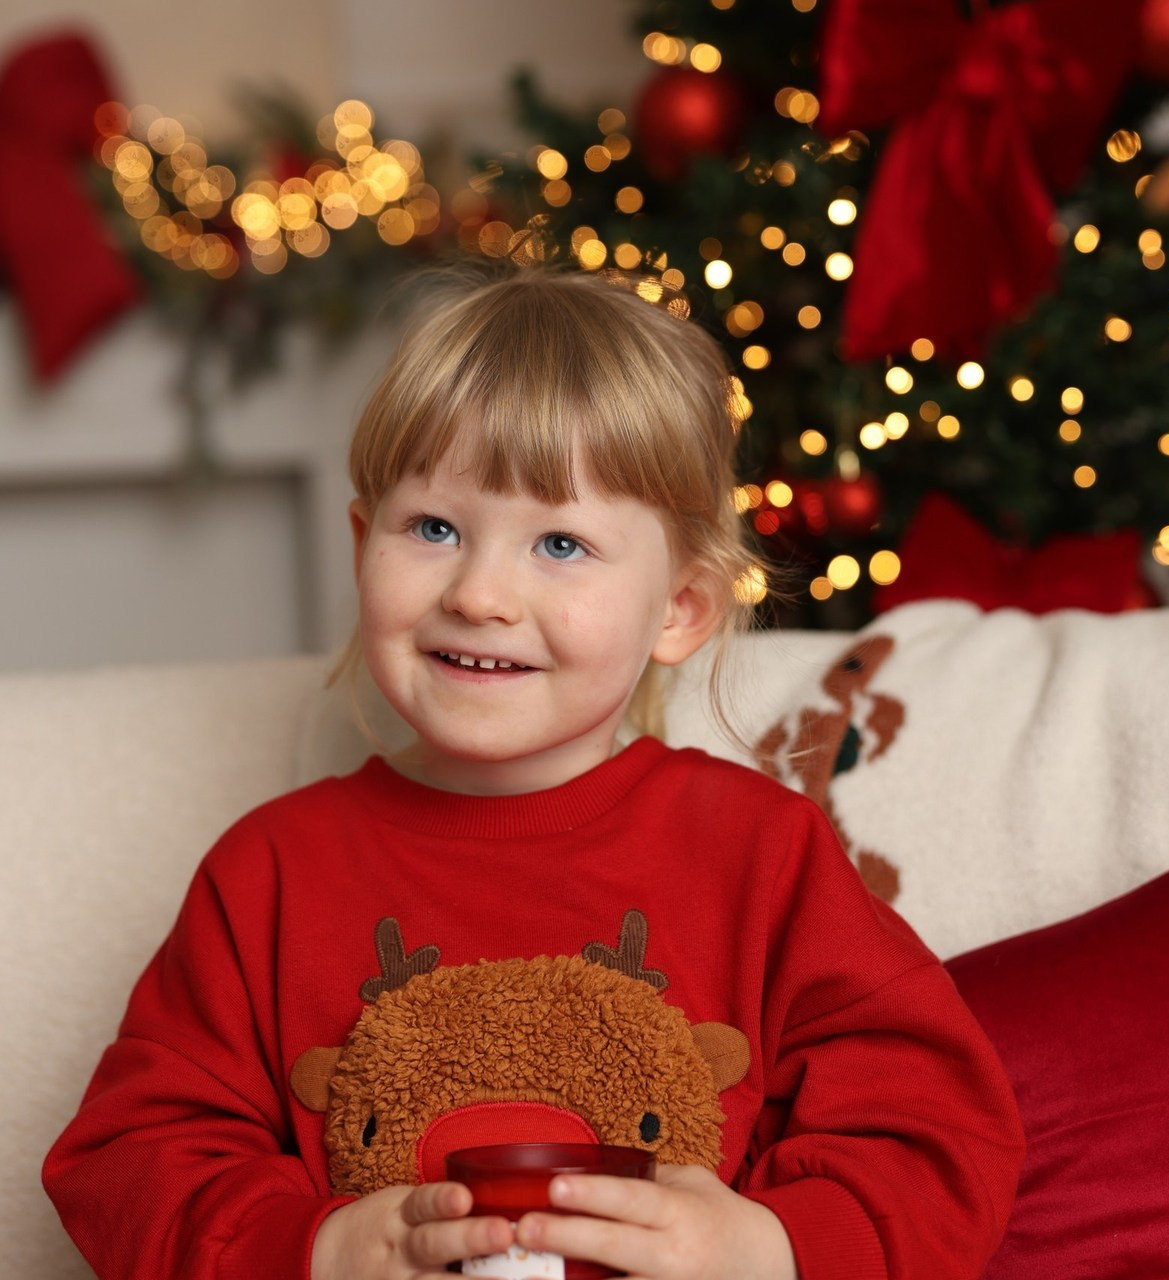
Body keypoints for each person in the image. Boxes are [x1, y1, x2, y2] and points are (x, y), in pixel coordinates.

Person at [44, 265, 1023, 1280]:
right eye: (432, 528)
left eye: (559, 542)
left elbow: (941, 1133)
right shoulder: (269, 873)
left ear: (681, 607)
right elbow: (127, 1157)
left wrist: (768, 1245)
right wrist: (319, 1247)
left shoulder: (761, 854)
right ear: (359, 544)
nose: (479, 592)